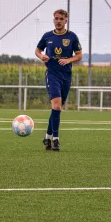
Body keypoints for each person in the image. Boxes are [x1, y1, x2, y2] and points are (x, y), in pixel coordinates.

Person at [35, 9, 82, 151]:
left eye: (61, 18)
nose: (58, 21)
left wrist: (69, 60)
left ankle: (47, 138)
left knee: (57, 108)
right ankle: (56, 140)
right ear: (53, 19)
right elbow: (37, 50)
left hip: (66, 76)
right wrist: (41, 56)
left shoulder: (72, 36)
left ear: (66, 20)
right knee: (56, 106)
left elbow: (79, 55)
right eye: (56, 18)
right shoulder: (47, 36)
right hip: (52, 74)